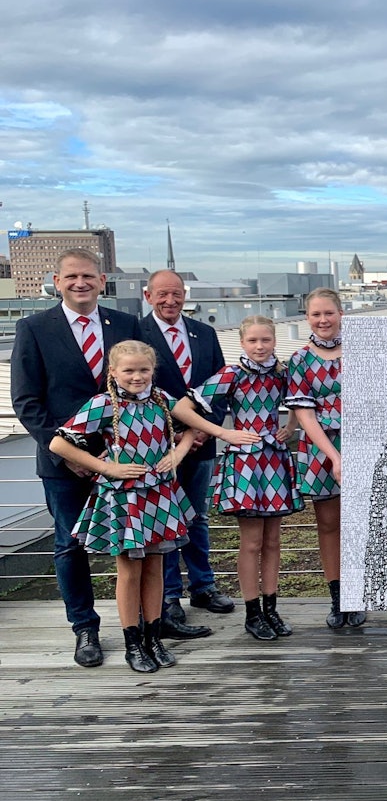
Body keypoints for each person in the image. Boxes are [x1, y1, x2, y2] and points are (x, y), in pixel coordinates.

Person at [11, 248, 141, 668]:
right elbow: (26, 401)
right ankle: (85, 628)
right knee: (70, 546)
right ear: (56, 280)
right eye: (71, 276)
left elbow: (141, 388)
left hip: (123, 459)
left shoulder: (124, 325)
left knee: (135, 543)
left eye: (88, 275)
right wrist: (68, 453)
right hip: (62, 463)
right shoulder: (33, 328)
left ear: (102, 280)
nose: (80, 283)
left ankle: (140, 626)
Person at [48, 340, 198, 673]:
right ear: (113, 372)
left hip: (159, 494)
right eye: (128, 370)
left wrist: (177, 453)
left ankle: (153, 637)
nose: (136, 376)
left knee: (156, 567)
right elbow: (58, 442)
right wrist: (107, 468)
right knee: (129, 571)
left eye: (144, 370)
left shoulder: (161, 400)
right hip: (123, 498)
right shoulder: (103, 404)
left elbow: (192, 426)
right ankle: (133, 644)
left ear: (153, 371)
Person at [172, 316, 303, 641]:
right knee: (252, 542)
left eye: (265, 340)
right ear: (243, 343)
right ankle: (252, 613)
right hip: (244, 463)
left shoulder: (282, 373)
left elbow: (304, 400)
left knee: (273, 542)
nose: (260, 347)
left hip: (274, 458)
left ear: (274, 341)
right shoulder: (232, 374)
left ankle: (271, 608)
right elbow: (181, 409)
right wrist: (222, 432)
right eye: (253, 341)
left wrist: (292, 424)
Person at [140, 269, 234, 639]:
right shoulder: (135, 332)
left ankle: (203, 586)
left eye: (176, 293)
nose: (170, 300)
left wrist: (197, 430)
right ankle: (168, 599)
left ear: (184, 294)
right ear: (148, 296)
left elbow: (221, 384)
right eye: (162, 294)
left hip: (201, 442)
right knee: (164, 523)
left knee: (196, 517)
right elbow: (133, 387)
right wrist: (177, 432)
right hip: (158, 447)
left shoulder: (204, 333)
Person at [285, 288, 363, 628]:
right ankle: (337, 598)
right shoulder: (300, 360)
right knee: (329, 525)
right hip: (320, 447)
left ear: (341, 314)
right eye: (316, 314)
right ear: (308, 319)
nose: (323, 320)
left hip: (361, 442)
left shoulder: (362, 350)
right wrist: (334, 456)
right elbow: (304, 414)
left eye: (328, 313)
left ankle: (358, 594)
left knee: (358, 526)